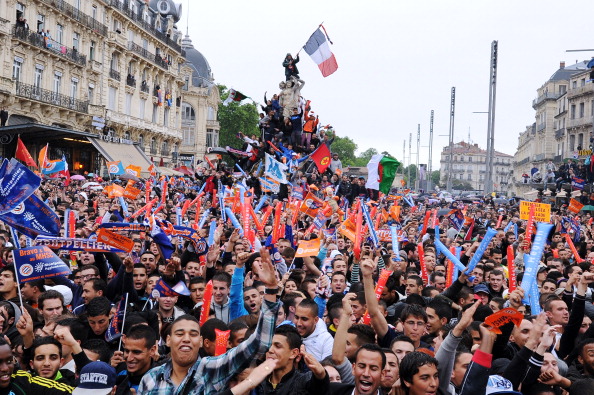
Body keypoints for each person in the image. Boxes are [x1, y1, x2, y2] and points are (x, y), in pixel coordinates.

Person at [138, 247, 282, 394]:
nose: (186, 339)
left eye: (193, 334)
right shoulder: (150, 379)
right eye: (180, 333)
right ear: (168, 340)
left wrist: (270, 289)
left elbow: (259, 344)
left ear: (201, 341)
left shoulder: (212, 370)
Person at [256, 324, 329, 394]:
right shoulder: (256, 382)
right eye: (269, 345)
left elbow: (320, 388)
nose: (270, 350)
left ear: (294, 353)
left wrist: (321, 374)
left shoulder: (303, 382)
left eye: (277, 346)